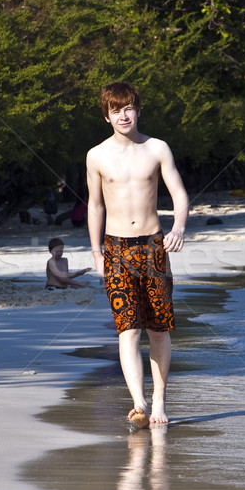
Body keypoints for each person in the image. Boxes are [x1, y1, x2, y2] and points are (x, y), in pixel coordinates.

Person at [86, 81, 189, 428]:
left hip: (152, 246)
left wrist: (178, 229)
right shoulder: (96, 156)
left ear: (138, 110)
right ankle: (139, 403)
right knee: (127, 330)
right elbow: (95, 206)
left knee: (158, 330)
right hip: (116, 248)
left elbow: (179, 194)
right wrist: (97, 253)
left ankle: (159, 401)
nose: (123, 114)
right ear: (107, 116)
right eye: (116, 109)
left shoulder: (157, 149)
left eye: (128, 107)